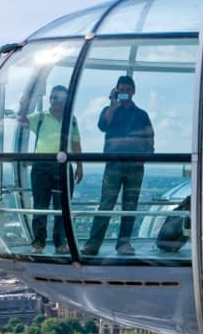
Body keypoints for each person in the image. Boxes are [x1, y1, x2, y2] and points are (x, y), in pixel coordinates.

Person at [83, 75, 154, 256]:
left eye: (128, 90)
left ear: (133, 92)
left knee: (130, 206)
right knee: (106, 203)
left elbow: (149, 136)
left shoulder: (141, 114)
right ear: (116, 90)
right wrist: (113, 105)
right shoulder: (109, 110)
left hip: (135, 166)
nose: (125, 93)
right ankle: (93, 244)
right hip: (114, 165)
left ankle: (123, 244)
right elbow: (103, 126)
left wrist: (146, 156)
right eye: (121, 90)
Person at [17, 84, 81, 253]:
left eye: (57, 97)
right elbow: (22, 120)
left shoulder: (71, 120)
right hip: (41, 166)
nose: (54, 100)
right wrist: (22, 106)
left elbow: (76, 144)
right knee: (40, 205)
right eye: (52, 97)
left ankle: (60, 243)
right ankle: (39, 242)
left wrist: (79, 166)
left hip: (63, 166)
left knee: (62, 207)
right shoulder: (40, 117)